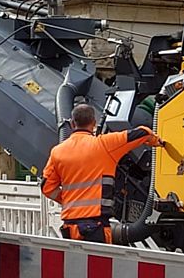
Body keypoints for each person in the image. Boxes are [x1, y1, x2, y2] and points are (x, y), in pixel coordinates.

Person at [41, 102, 158, 245]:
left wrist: (67, 200)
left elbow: (47, 188)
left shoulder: (57, 152)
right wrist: (157, 141)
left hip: (70, 227)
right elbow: (142, 133)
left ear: (72, 124)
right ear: (94, 123)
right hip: (97, 226)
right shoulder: (104, 144)